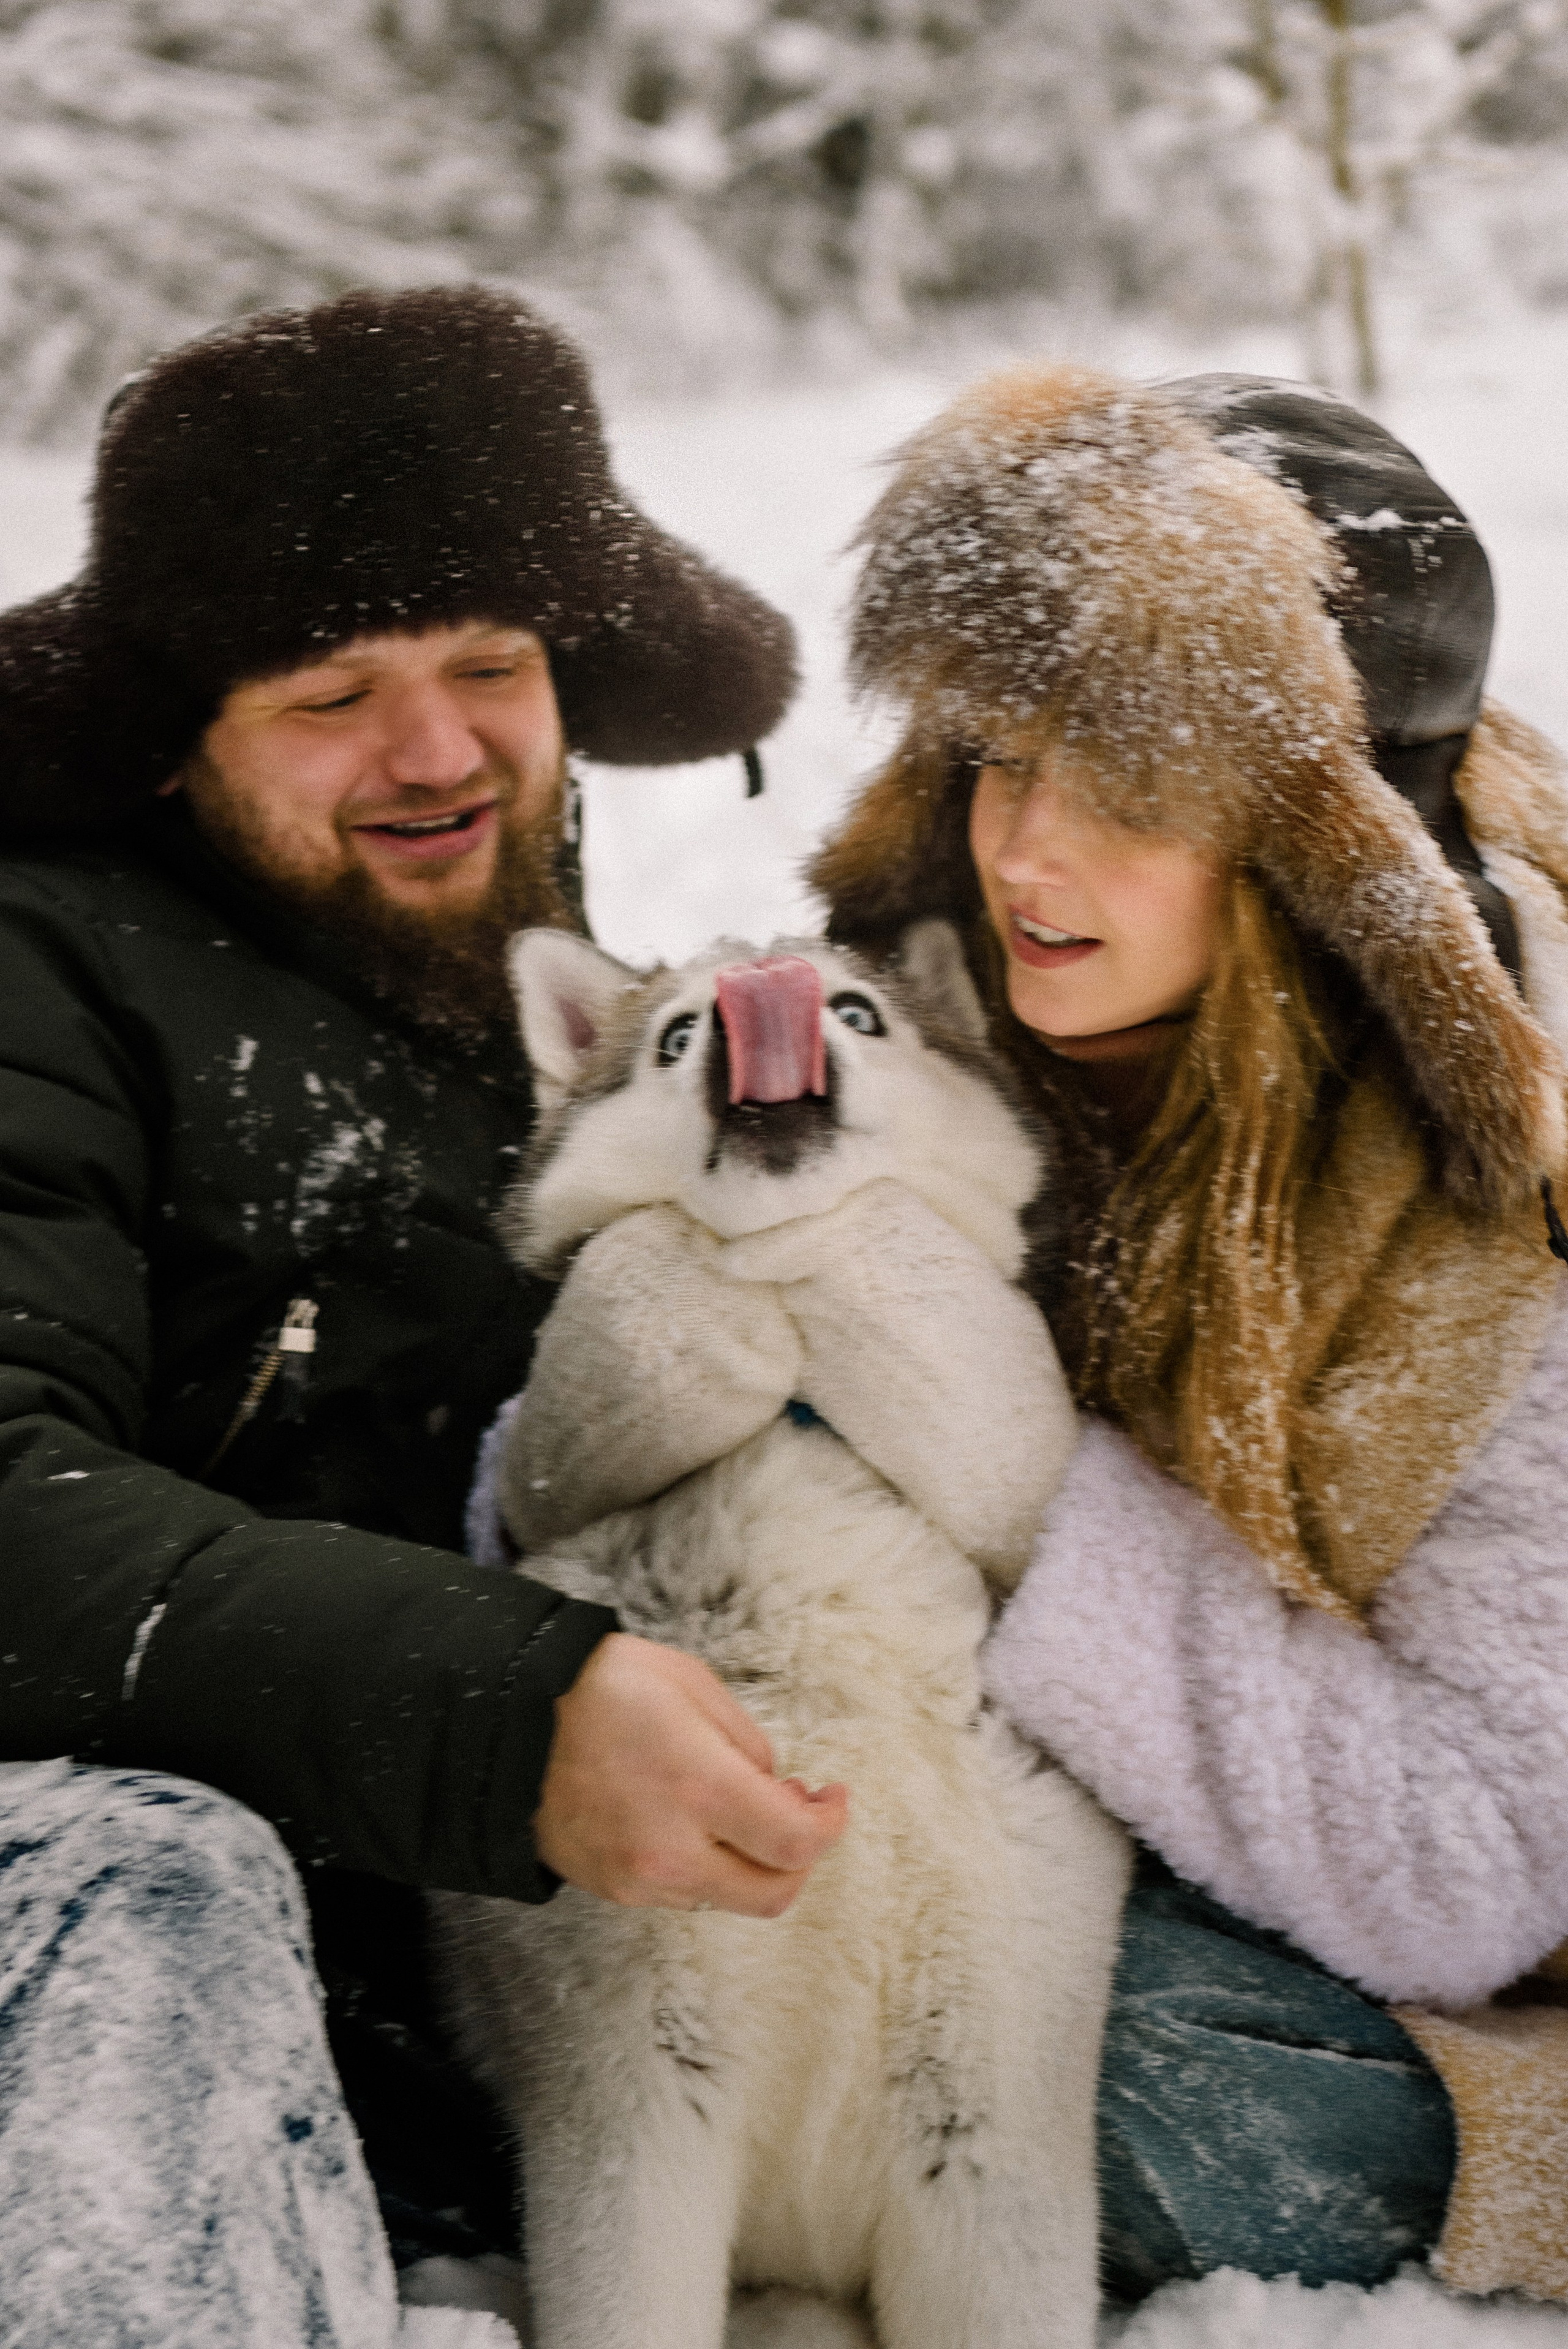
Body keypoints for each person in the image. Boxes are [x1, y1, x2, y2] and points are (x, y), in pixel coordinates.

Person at [0, 284, 845, 2345]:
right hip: (96, 1911)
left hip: (485, 1981)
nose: (438, 748)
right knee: (155, 1885)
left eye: (490, 665)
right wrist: (500, 1709)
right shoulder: (45, 975)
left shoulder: (601, 1029)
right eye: (330, 691)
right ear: (178, 731)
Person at [809, 364, 1568, 2307]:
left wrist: (1004, 1476)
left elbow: (1474, 1862)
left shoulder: (1511, 1211)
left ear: (1324, 850)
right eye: (994, 752)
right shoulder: (913, 1020)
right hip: (1103, 1842)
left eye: (1132, 786)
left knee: (1071, 2040)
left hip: (1472, 1997)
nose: (1027, 850)